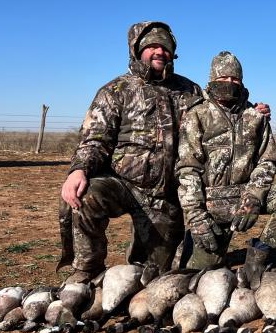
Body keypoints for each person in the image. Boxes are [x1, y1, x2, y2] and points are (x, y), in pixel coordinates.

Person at [57, 21, 202, 284]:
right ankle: (87, 269)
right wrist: (79, 170)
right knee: (85, 195)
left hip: (166, 194)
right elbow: (95, 139)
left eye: (165, 47)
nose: (159, 51)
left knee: (152, 277)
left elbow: (217, 118)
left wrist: (252, 111)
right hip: (122, 184)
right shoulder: (116, 90)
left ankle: (139, 266)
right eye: (152, 46)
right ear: (137, 51)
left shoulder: (190, 91)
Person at [176, 51, 276, 287]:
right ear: (213, 79)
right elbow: (188, 170)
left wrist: (254, 197)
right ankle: (193, 245)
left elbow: (268, 161)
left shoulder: (254, 116)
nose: (230, 83)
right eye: (224, 78)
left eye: (235, 79)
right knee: (194, 278)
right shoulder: (197, 114)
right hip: (211, 201)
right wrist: (197, 218)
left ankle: (257, 258)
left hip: (246, 194)